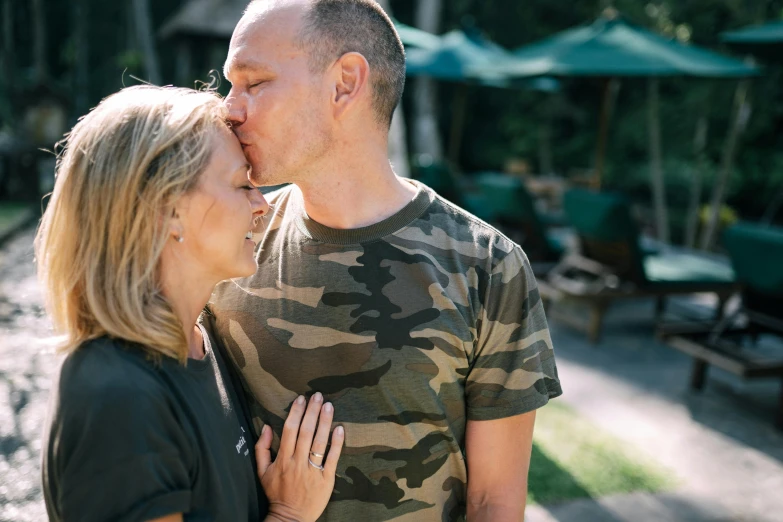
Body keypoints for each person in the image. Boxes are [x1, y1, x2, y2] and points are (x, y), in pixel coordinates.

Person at [210, 0, 563, 520]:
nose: (229, 108)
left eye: (254, 82)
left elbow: (494, 501)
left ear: (345, 83)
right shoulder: (225, 242)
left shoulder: (488, 266)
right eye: (230, 85)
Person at [36, 85, 344, 522]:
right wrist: (290, 515)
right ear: (168, 211)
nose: (261, 204)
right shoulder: (116, 399)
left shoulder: (202, 343)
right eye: (242, 184)